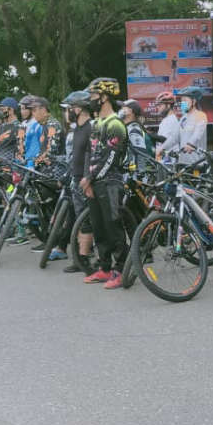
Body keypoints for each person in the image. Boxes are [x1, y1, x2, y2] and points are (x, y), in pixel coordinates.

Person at [80, 77, 129, 289]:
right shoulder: (97, 123)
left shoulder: (116, 124)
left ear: (104, 97)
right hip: (94, 183)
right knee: (99, 228)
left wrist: (90, 178)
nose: (90, 100)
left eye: (93, 96)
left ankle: (121, 270)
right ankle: (105, 267)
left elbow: (111, 158)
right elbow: (90, 154)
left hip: (110, 182)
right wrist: (86, 179)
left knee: (113, 228)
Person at [54, 90, 93, 268]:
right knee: (79, 220)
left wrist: (87, 178)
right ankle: (80, 258)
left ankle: (84, 259)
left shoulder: (91, 128)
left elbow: (91, 156)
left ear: (78, 109)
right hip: (75, 178)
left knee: (85, 221)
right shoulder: (77, 129)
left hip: (85, 181)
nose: (67, 112)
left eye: (69, 108)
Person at [160, 87, 207, 165]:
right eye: (181, 101)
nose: (182, 103)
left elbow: (198, 134)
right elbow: (174, 137)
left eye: (185, 100)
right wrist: (162, 148)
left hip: (198, 162)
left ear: (194, 101)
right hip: (183, 162)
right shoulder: (183, 119)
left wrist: (190, 144)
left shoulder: (201, 116)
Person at [119, 99, 153, 167]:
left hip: (133, 173)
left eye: (123, 107)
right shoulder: (128, 127)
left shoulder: (134, 129)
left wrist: (140, 174)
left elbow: (141, 155)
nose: (120, 110)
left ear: (130, 111)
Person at [154, 91, 181, 160]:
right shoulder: (166, 119)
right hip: (164, 158)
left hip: (170, 160)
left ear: (168, 105)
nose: (157, 108)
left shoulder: (171, 120)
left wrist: (150, 135)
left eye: (160, 105)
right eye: (157, 105)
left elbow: (165, 140)